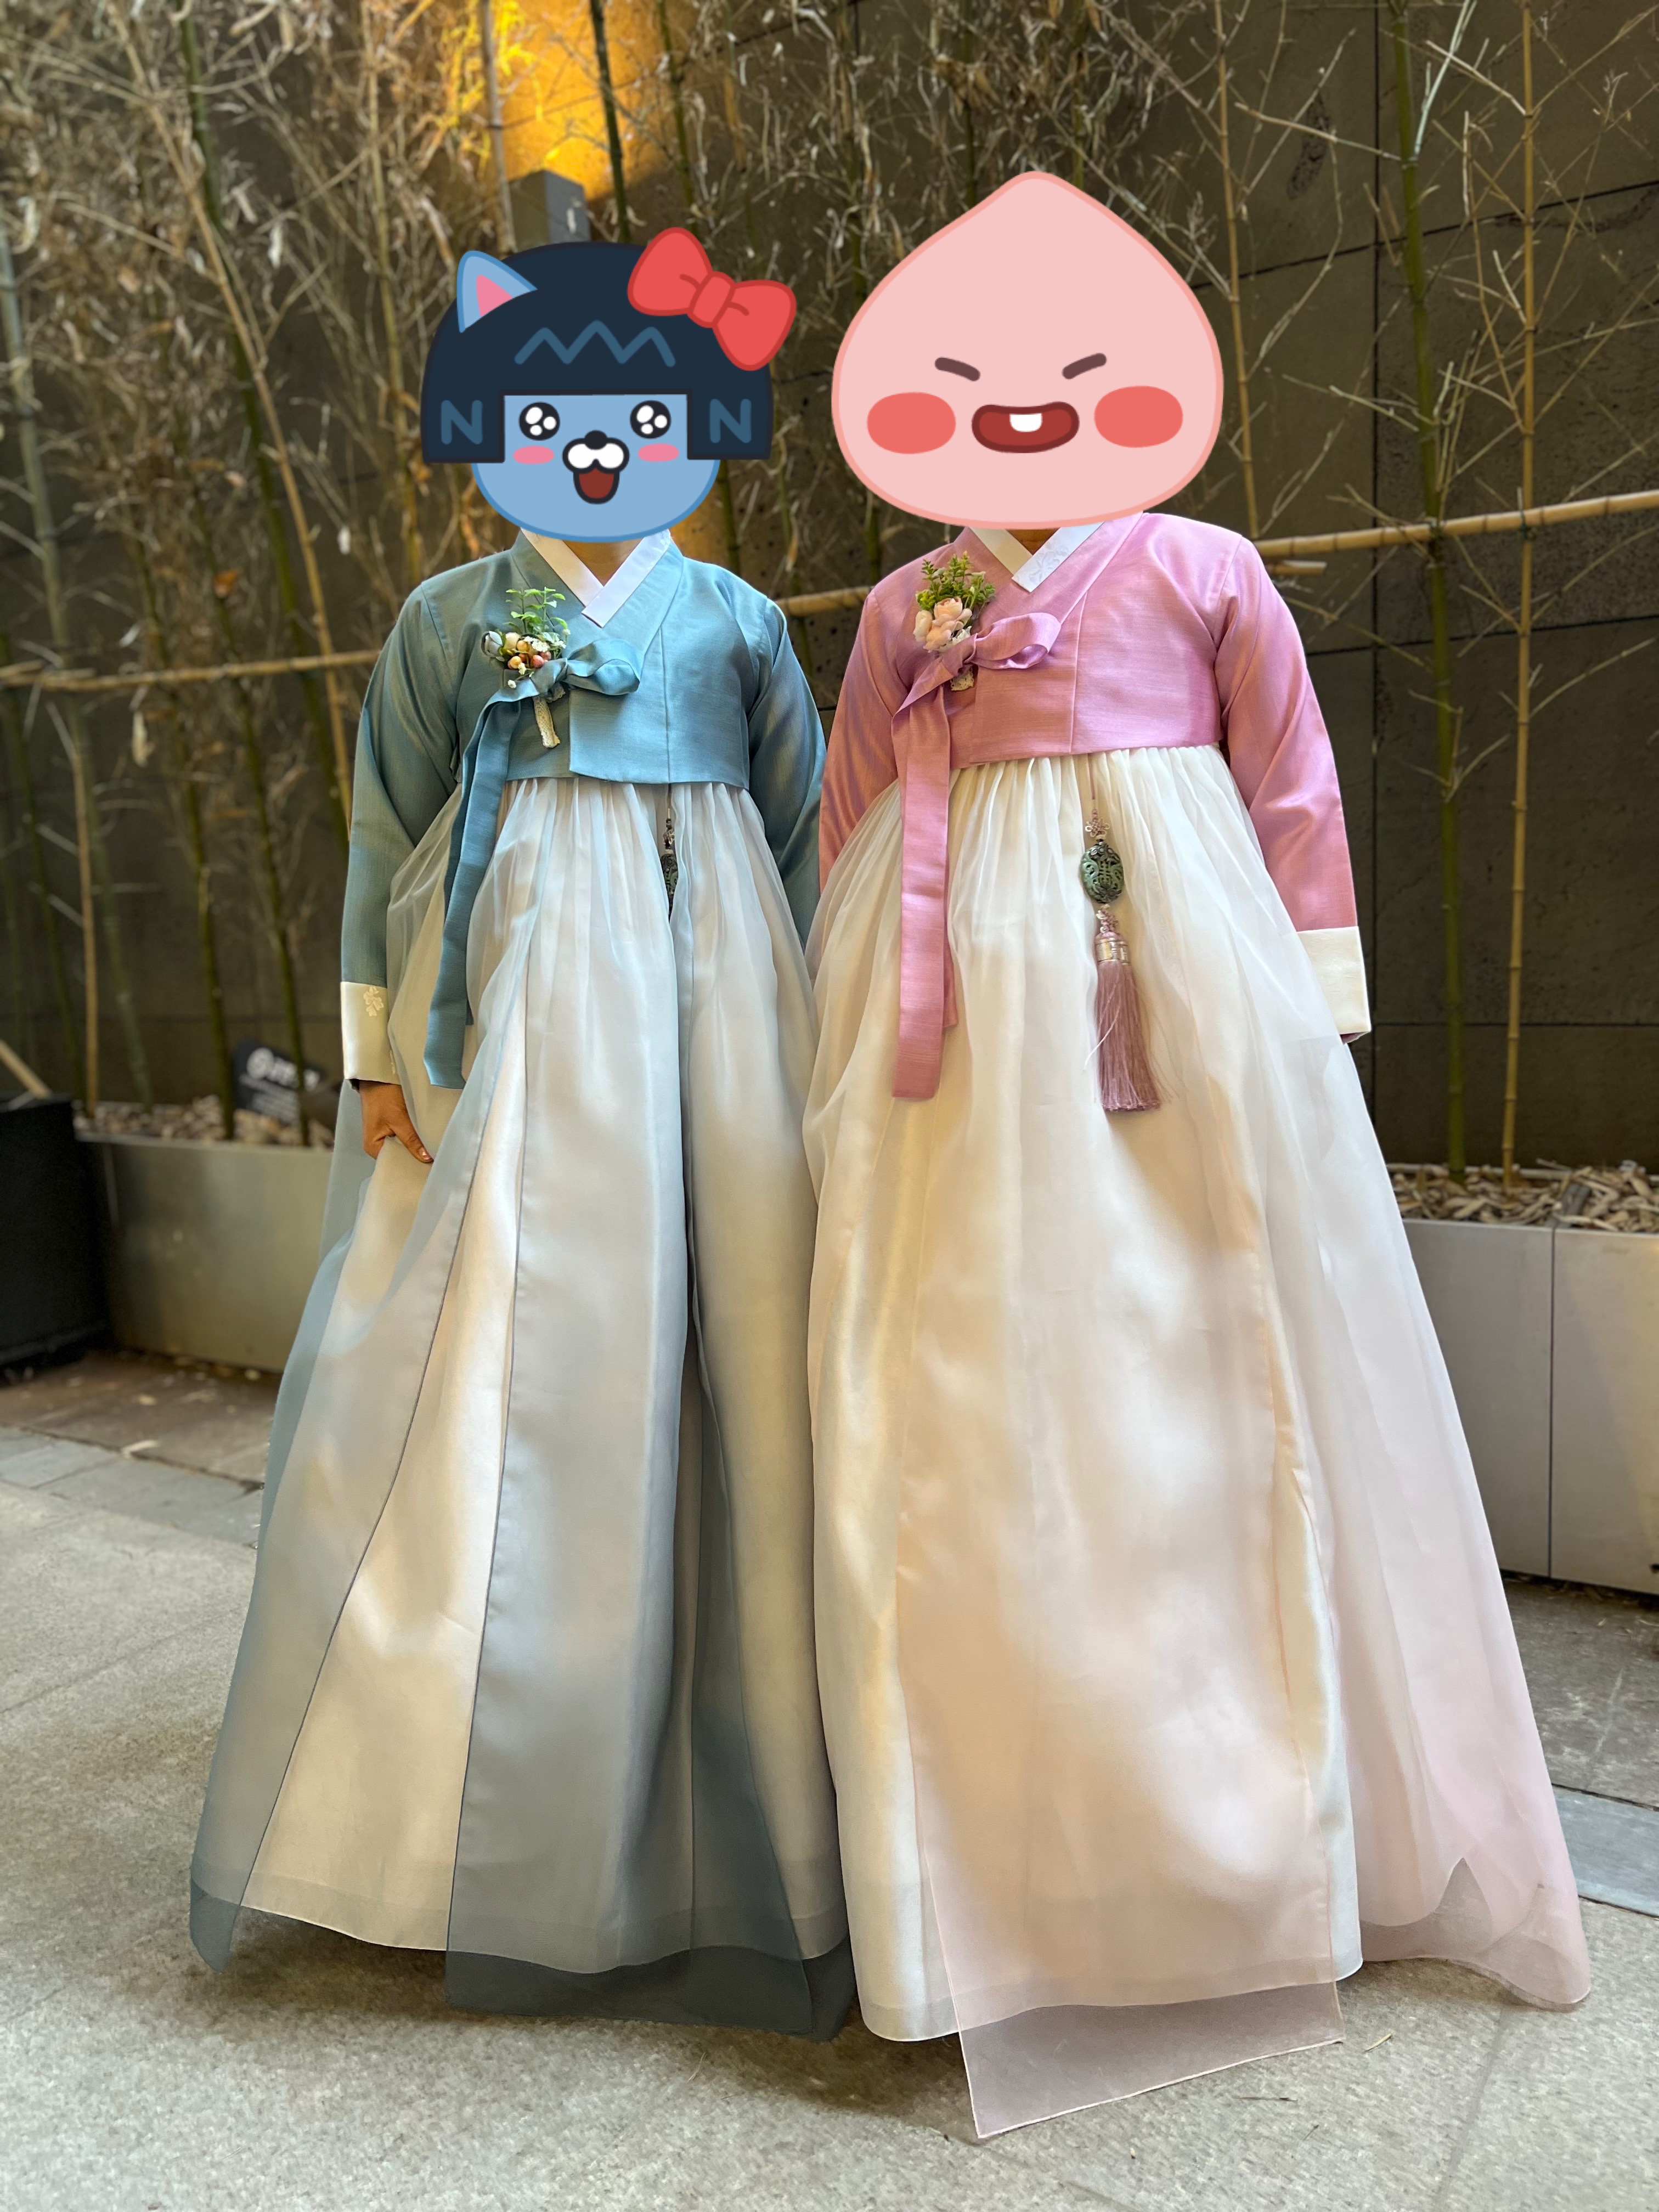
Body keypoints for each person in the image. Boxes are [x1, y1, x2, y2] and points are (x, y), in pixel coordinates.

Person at [808, 171, 1590, 2134]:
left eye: (1067, 372)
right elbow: (852, 815)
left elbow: (1291, 777)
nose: (1021, 411)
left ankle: (1265, 1840)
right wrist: (846, 1018)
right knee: (981, 1366)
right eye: (977, 379)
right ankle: (1007, 1867)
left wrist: (1305, 1007)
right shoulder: (908, 606)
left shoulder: (1206, 567)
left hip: (1174, 981)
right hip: (973, 1013)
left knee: (1223, 1351)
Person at [190, 239, 851, 2035]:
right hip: (516, 1005)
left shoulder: (736, 622)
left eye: (638, 417)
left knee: (738, 1343)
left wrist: (828, 1042)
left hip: (720, 1006)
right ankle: (450, 1812)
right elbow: (385, 831)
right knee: (491, 1351)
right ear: (494, 430)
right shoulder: (447, 620)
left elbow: (803, 830)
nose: (595, 448)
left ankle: (754, 1782)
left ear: (697, 430)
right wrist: (375, 1056)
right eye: (550, 418)